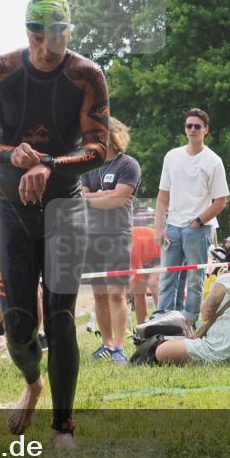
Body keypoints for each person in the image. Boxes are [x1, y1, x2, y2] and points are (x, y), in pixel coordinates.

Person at [0, 0, 109, 447]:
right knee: (19, 322)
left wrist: (49, 164)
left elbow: (100, 147)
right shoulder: (1, 72)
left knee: (61, 319)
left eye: (57, 38)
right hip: (13, 208)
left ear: (69, 34)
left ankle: (63, 426)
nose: (47, 49)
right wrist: (12, 155)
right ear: (27, 33)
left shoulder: (87, 75)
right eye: (39, 38)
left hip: (65, 207)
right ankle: (32, 381)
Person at [154, 108, 229, 326]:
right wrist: (158, 227)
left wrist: (197, 222)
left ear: (206, 130)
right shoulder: (172, 156)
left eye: (197, 126)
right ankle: (165, 323)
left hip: (199, 228)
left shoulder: (214, 161)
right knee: (167, 279)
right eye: (189, 126)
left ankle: (189, 324)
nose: (193, 130)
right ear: (185, 129)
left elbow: (221, 201)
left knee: (195, 280)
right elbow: (162, 196)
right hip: (172, 227)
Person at [153, 240, 230, 365]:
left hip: (220, 347)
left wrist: (218, 281)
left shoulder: (228, 279)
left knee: (161, 350)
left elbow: (205, 313)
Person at [82, 117, 141, 365]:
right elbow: (81, 196)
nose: (97, 139)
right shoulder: (88, 166)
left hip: (117, 235)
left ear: (114, 136)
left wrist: (96, 198)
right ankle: (105, 343)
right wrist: (102, 196)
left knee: (117, 294)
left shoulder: (129, 165)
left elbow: (119, 199)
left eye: (101, 134)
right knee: (99, 295)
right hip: (91, 236)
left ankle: (119, 346)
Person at [130, 225, 161, 326]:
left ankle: (164, 318)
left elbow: (138, 272)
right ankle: (141, 326)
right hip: (146, 256)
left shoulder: (132, 245)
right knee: (138, 291)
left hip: (159, 252)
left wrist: (127, 292)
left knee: (153, 283)